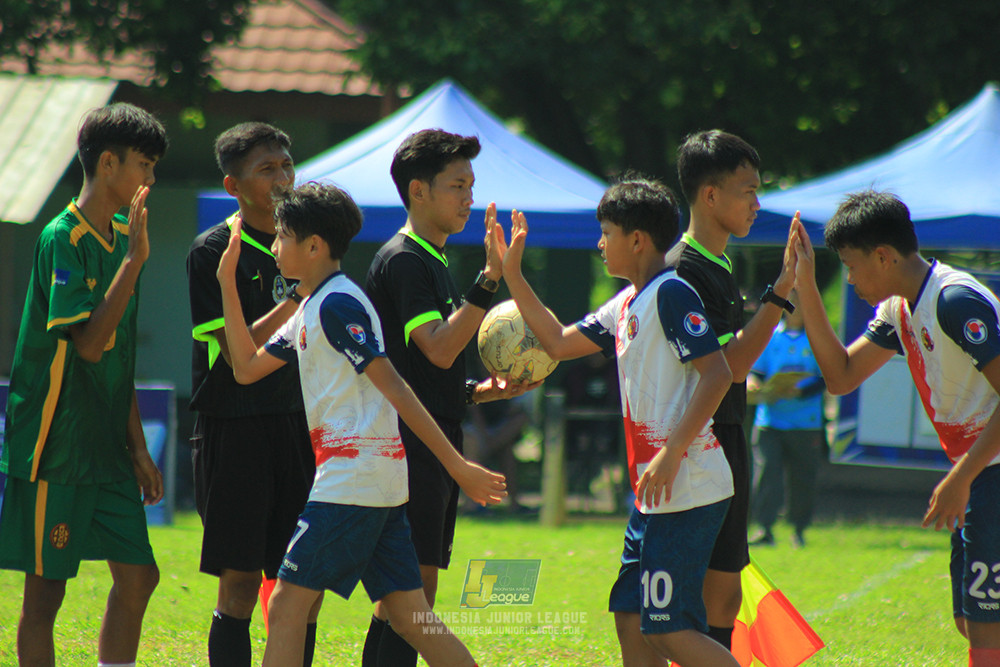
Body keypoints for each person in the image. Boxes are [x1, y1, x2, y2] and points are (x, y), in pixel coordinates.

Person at [216, 182, 505, 666]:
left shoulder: (338, 305)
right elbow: (244, 367)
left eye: (282, 235)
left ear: (313, 246)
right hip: (375, 483)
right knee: (413, 616)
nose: (273, 245)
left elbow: (395, 387)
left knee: (287, 603)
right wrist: (227, 284)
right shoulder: (312, 305)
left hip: (352, 481)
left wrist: (458, 466)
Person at [502, 176, 739, 666]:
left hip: (688, 487)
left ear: (637, 239)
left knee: (670, 629)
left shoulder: (672, 295)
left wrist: (671, 454)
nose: (599, 244)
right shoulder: (629, 301)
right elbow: (560, 344)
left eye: (606, 233)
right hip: (653, 496)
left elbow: (718, 374)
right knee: (630, 618)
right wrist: (514, 276)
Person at [791, 190, 1000, 666]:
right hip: (981, 471)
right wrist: (805, 286)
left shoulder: (953, 300)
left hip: (991, 471)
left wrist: (962, 477)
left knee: (986, 622)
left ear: (882, 257)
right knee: (971, 619)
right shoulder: (901, 309)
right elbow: (840, 376)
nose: (848, 278)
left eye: (850, 264)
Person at [0, 102, 167, 666]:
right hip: (55, 445)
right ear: (108, 162)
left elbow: (113, 359)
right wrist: (135, 261)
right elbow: (90, 344)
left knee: (141, 576)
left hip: (107, 448)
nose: (150, 180)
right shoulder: (61, 239)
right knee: (45, 596)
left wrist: (139, 447)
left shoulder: (124, 235)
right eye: (144, 165)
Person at [362, 128, 537, 666]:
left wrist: (481, 390)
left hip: (430, 437)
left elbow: (427, 371)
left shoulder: (432, 260)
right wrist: (489, 280)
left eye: (471, 185)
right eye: (457, 186)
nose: (468, 198)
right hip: (406, 446)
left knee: (414, 600)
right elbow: (436, 350)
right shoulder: (405, 260)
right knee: (408, 601)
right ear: (419, 191)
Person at [186, 122, 317, 666]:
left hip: (296, 426)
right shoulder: (214, 251)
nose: (283, 178)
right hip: (235, 428)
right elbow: (232, 352)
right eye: (267, 169)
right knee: (239, 586)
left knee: (301, 588)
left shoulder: (310, 245)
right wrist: (291, 304)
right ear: (233, 184)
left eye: (287, 165)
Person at [666, 129, 797, 652]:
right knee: (688, 598)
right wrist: (782, 291)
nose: (757, 203)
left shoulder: (718, 264)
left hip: (729, 435)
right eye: (748, 190)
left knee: (723, 595)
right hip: (700, 444)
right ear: (710, 194)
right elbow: (733, 366)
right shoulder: (683, 269)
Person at [747, 292, 826, 548]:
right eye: (792, 301)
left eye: (801, 301)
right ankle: (764, 528)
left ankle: (799, 529)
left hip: (806, 422)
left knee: (802, 478)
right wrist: (754, 385)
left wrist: (800, 390)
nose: (797, 307)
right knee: (767, 474)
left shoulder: (817, 338)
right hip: (770, 420)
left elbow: (825, 376)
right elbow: (756, 371)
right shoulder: (771, 337)